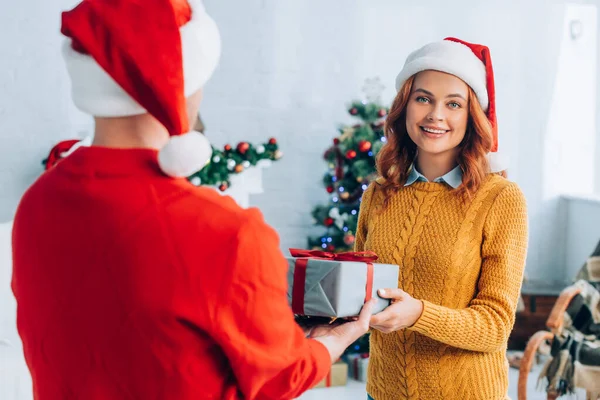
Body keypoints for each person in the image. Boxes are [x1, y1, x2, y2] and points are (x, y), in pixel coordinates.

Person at [11, 1, 374, 399]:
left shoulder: (36, 204)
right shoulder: (227, 232)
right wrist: (331, 341)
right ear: (182, 80)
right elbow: (280, 378)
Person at [354, 37, 529, 400]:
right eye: (423, 99)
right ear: (405, 106)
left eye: (453, 103)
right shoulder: (378, 194)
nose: (436, 115)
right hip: (382, 392)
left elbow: (495, 326)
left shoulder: (501, 199)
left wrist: (418, 313)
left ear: (471, 116)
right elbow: (360, 290)